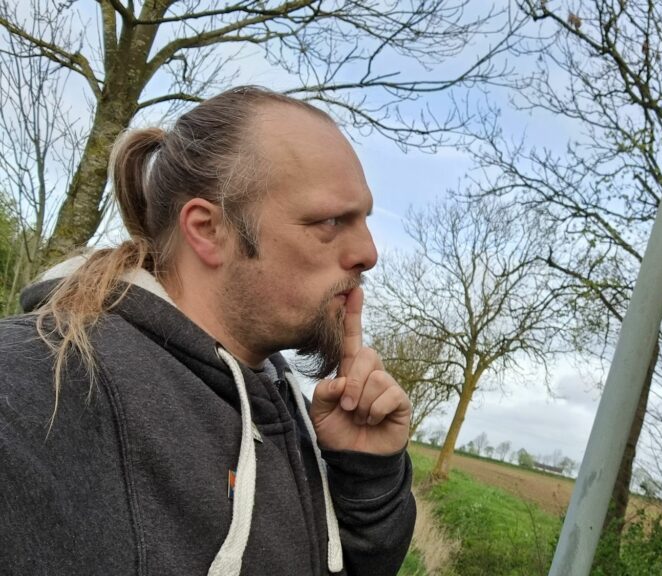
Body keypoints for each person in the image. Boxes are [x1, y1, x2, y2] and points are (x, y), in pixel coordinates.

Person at [0, 87, 415, 576]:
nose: (369, 252)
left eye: (364, 219)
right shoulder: (37, 385)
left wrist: (366, 477)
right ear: (207, 229)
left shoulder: (292, 411)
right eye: (329, 221)